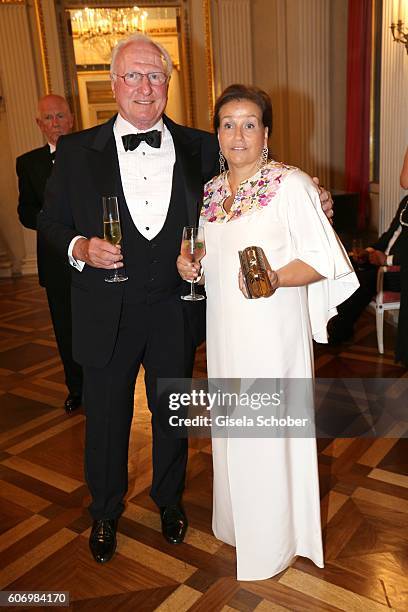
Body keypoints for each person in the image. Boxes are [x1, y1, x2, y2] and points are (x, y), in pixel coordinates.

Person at [38, 35, 333, 565]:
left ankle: (169, 502)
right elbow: (49, 223)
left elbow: (255, 168)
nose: (144, 88)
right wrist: (79, 246)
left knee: (172, 413)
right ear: (113, 84)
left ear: (169, 83)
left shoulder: (203, 144)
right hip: (104, 310)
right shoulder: (79, 151)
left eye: (155, 76)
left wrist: (312, 188)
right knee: (105, 418)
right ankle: (104, 513)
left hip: (176, 310)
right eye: (133, 76)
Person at [177, 84, 358, 580]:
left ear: (267, 132)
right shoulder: (212, 191)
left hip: (272, 333)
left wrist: (277, 277)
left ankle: (275, 540)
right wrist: (190, 262)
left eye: (249, 123)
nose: (238, 134)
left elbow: (325, 260)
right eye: (228, 124)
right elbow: (212, 250)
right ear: (217, 133)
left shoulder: (290, 184)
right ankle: (241, 524)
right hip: (226, 332)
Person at [16, 95, 83, 414]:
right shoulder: (28, 163)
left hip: (95, 259)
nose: (55, 123)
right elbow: (25, 211)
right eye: (48, 118)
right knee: (66, 330)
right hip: (55, 262)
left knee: (100, 326)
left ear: (72, 119)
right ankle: (77, 389)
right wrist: (50, 220)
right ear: (39, 124)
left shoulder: (93, 155)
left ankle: (105, 386)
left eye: (60, 116)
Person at [328, 196, 407, 344]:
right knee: (345, 267)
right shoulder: (405, 201)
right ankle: (334, 323)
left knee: (361, 280)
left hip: (398, 271)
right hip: (382, 262)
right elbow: (389, 234)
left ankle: (339, 331)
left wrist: (387, 260)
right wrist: (368, 251)